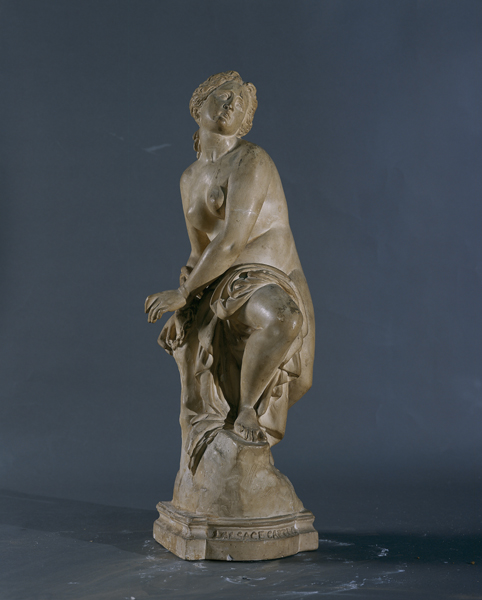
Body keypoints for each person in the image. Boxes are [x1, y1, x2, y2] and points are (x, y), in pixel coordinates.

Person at [145, 71, 315, 473]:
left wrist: (183, 295)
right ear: (198, 104)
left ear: (245, 122)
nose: (230, 105)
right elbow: (199, 249)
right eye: (223, 96)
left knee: (287, 329)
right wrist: (185, 307)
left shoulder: (251, 160)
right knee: (201, 337)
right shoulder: (189, 179)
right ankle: (243, 412)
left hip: (269, 271)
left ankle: (248, 410)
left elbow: (232, 241)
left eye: (239, 105)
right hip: (222, 279)